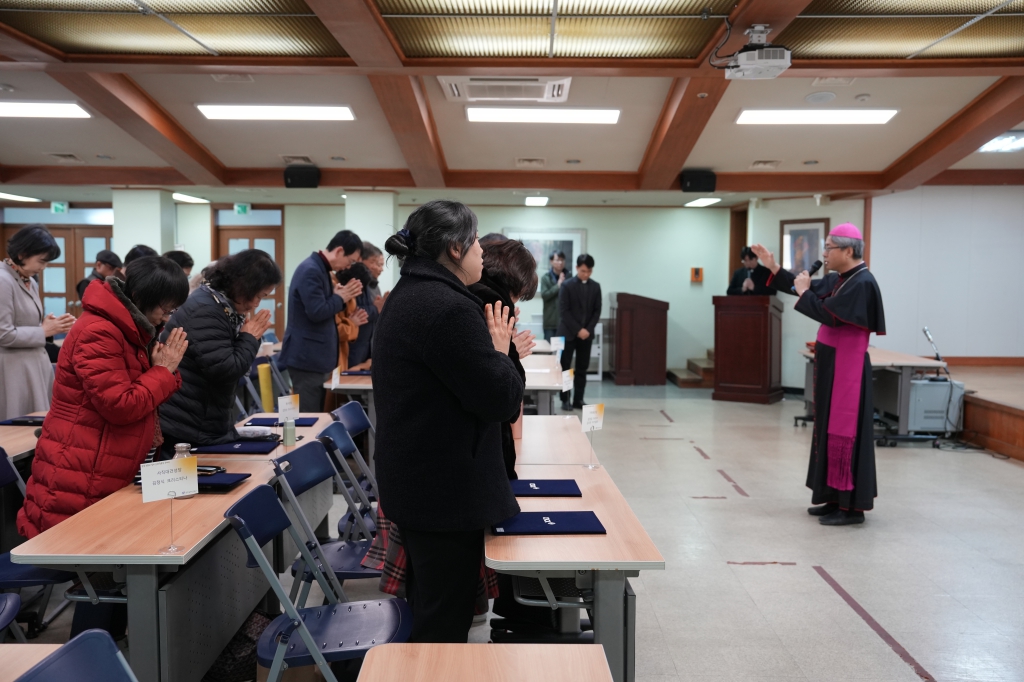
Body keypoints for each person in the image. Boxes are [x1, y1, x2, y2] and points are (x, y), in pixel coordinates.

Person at [16, 255, 188, 637]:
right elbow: (122, 405)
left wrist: (160, 370)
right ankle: (91, 659)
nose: (167, 318)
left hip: (105, 465)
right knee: (101, 583)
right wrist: (163, 371)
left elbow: (139, 392)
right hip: (82, 473)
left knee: (118, 577)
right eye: (165, 308)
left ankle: (121, 652)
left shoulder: (130, 328)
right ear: (144, 297)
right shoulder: (101, 331)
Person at [374, 200, 522, 643]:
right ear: (456, 249)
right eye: (476, 241)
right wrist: (500, 350)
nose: (482, 251)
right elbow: (501, 400)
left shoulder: (412, 293)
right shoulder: (448, 309)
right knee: (444, 617)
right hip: (443, 489)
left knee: (431, 603)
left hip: (420, 479)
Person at [752, 223, 885, 526]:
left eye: (829, 248)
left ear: (848, 250)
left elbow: (826, 314)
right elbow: (804, 287)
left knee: (845, 431)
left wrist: (802, 291)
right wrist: (773, 266)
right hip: (832, 363)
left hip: (847, 367)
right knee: (827, 429)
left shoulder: (862, 282)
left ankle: (852, 508)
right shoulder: (841, 279)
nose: (824, 253)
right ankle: (834, 497)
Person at [159, 250, 278, 454]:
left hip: (200, 419)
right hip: (186, 425)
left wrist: (248, 337)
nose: (257, 304)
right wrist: (249, 337)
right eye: (258, 296)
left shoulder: (219, 305)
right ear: (243, 286)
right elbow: (226, 370)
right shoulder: (206, 310)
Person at [468, 239, 538, 479]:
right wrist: (511, 353)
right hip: (483, 452)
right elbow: (507, 402)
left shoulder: (470, 291)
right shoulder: (494, 303)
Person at [278, 231, 363, 411]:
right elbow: (317, 311)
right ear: (339, 251)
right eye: (351, 260)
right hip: (307, 358)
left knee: (318, 414)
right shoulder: (311, 270)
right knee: (308, 416)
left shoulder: (321, 269)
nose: (349, 267)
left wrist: (336, 296)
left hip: (316, 358)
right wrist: (340, 297)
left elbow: (322, 305)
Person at [1, 225, 76, 419]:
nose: (44, 267)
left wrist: (49, 325)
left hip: (33, 364)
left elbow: (24, 322)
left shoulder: (29, 280)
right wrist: (43, 331)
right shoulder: (3, 280)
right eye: (41, 261)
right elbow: (4, 334)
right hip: (13, 369)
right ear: (22, 254)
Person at [558, 254, 601, 411]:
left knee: (582, 368)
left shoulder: (595, 287)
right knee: (566, 367)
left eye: (589, 271)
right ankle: (565, 399)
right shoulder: (567, 286)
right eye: (583, 271)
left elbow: (597, 311)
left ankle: (579, 399)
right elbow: (564, 312)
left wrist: (587, 330)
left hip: (586, 335)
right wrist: (578, 330)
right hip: (568, 333)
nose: (586, 274)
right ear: (577, 268)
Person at [333, 263, 371, 371]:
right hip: (331, 357)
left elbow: (351, 334)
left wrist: (353, 324)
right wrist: (352, 323)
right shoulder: (336, 295)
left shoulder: (350, 299)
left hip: (342, 355)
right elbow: (335, 332)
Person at [539, 250, 568, 341]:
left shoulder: (569, 277)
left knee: (564, 353)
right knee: (548, 350)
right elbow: (545, 295)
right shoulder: (545, 277)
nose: (560, 262)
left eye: (562, 260)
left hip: (566, 322)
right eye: (557, 260)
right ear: (551, 261)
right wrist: (558, 285)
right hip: (550, 321)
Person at [361, 241, 386, 310]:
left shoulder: (374, 284)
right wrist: (375, 308)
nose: (381, 269)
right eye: (379, 264)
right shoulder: (358, 283)